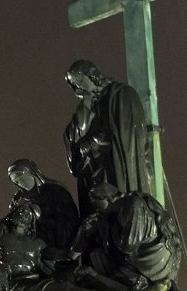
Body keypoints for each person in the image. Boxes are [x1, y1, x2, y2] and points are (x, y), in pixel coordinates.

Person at [63, 60, 152, 214]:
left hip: (117, 163)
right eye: (74, 84)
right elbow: (74, 134)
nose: (78, 86)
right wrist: (85, 105)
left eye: (79, 79)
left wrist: (93, 142)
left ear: (91, 74)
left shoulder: (120, 94)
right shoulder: (86, 105)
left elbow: (124, 129)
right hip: (97, 167)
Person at [6, 158, 79, 254]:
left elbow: (68, 218)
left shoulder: (54, 190)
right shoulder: (18, 198)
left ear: (31, 172)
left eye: (20, 177)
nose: (19, 182)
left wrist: (40, 215)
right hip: (28, 237)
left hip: (54, 236)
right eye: (15, 181)